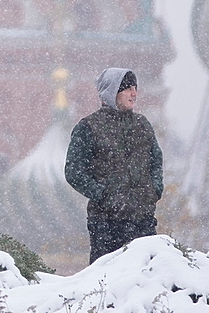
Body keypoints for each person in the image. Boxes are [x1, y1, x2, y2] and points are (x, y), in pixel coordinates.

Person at [64, 67, 164, 263]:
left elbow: (156, 161)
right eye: (127, 89)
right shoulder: (88, 128)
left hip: (142, 220)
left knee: (145, 281)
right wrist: (103, 195)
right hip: (106, 223)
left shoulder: (142, 125)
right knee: (106, 281)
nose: (134, 93)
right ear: (111, 92)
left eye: (135, 88)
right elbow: (74, 171)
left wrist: (154, 190)